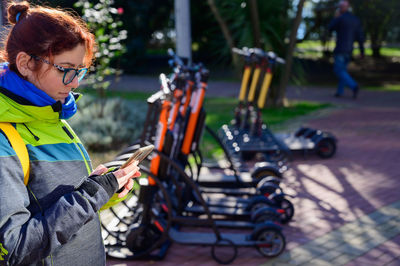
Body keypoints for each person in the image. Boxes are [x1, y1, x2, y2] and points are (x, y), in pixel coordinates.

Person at [0, 1, 141, 265]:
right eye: (65, 70)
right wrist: (90, 194)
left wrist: (104, 191)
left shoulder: (52, 115)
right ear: (25, 63)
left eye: (80, 71)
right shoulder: (4, 138)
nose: (75, 83)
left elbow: (58, 206)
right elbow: (14, 249)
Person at [328, 0, 364, 99]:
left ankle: (354, 86)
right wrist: (362, 51)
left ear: (342, 8)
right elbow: (360, 37)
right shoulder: (355, 19)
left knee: (338, 70)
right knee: (343, 70)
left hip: (340, 49)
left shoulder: (340, 18)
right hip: (349, 50)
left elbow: (330, 28)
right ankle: (340, 92)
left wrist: (335, 18)